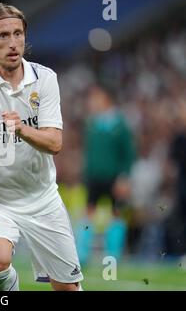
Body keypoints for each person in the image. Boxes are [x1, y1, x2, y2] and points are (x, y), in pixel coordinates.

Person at [0, 3, 83, 291]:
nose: (13, 43)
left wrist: (22, 129)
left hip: (43, 199)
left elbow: (55, 143)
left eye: (18, 34)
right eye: (2, 36)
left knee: (68, 289)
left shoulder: (45, 78)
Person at [76, 84, 136, 265]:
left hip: (114, 178)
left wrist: (124, 177)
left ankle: (113, 256)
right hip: (93, 177)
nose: (92, 101)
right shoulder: (92, 123)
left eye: (96, 97)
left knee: (116, 215)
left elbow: (129, 154)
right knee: (88, 213)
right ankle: (82, 254)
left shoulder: (120, 125)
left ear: (107, 98)